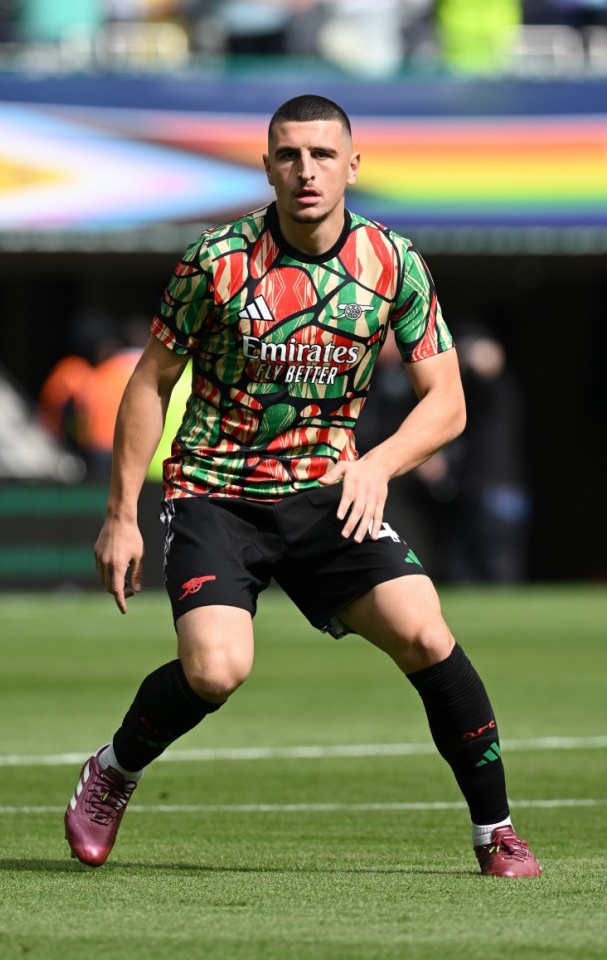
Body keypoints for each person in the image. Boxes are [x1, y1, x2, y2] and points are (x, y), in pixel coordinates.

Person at [64, 94, 541, 878]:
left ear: (353, 164)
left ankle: (497, 831)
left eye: (322, 154)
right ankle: (112, 770)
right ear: (267, 167)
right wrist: (122, 515)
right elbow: (150, 382)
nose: (306, 170)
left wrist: (377, 463)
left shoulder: (393, 263)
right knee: (216, 670)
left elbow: (447, 401)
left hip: (330, 493)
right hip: (218, 493)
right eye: (289, 155)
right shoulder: (214, 260)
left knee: (426, 632)